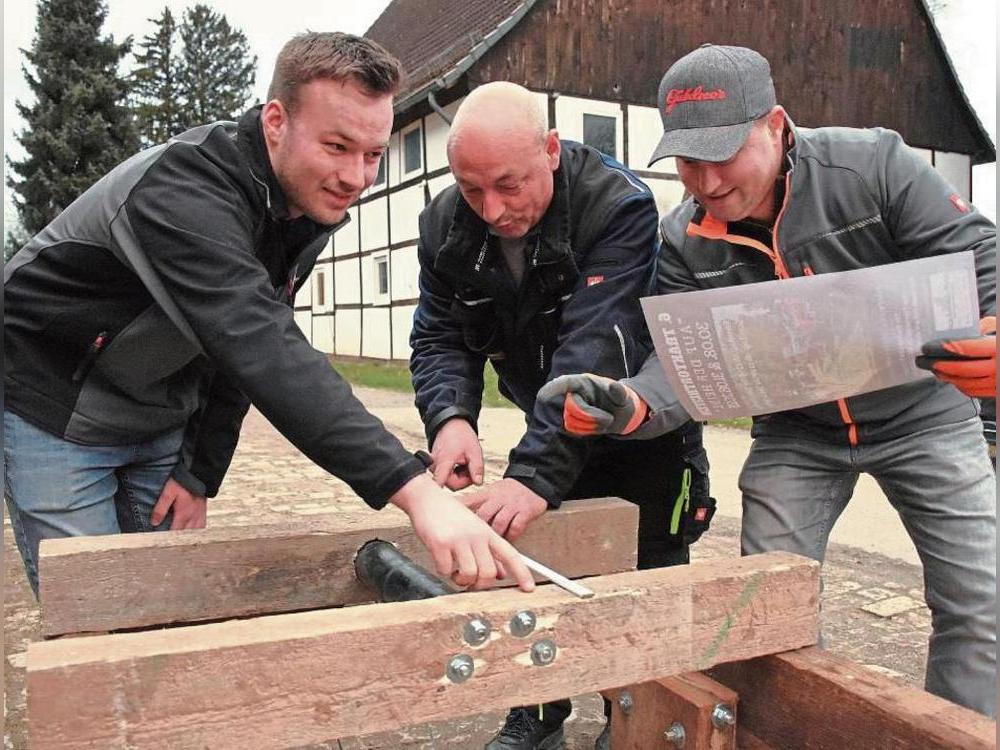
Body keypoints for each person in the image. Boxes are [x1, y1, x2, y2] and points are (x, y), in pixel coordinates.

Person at [539, 45, 997, 717]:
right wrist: (634, 404)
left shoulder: (873, 166)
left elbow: (980, 252)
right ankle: (787, 729)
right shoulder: (687, 239)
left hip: (923, 416)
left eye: (723, 153)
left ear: (776, 125)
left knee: (980, 601)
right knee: (763, 605)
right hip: (797, 432)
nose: (708, 180)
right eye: (689, 161)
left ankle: (959, 732)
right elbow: (681, 364)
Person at [3, 32, 536, 600]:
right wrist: (414, 489)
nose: (356, 178)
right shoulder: (182, 193)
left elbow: (234, 358)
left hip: (159, 420)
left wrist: (198, 470)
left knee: (158, 606)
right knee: (92, 613)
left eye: (374, 154)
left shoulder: (298, 208)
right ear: (276, 122)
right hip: (56, 409)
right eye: (336, 146)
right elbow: (258, 341)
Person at [409, 82, 714, 750]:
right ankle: (537, 711)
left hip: (642, 430)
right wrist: (451, 418)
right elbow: (437, 337)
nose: (491, 209)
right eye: (472, 189)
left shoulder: (617, 205)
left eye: (509, 185)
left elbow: (593, 353)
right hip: (546, 421)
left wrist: (534, 474)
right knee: (533, 563)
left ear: (550, 150)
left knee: (650, 575)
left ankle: (632, 718)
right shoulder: (443, 227)